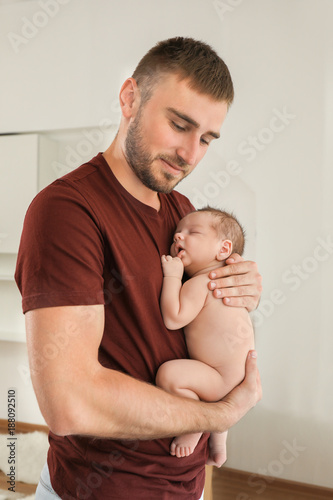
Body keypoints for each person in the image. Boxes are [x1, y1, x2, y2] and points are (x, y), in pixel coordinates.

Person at [15, 37, 262, 500]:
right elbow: (68, 404)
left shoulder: (185, 212)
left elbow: (203, 315)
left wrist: (243, 285)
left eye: (206, 138)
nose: (190, 154)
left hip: (188, 483)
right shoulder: (67, 211)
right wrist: (220, 416)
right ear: (130, 98)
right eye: (179, 124)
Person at [156, 207, 254, 469]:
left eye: (192, 233)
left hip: (219, 376)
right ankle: (219, 445)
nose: (178, 237)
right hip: (238, 375)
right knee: (221, 399)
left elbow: (173, 317)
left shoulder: (203, 283)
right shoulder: (225, 283)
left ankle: (195, 425)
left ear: (223, 250)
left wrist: (173, 276)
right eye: (176, 234)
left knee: (168, 375)